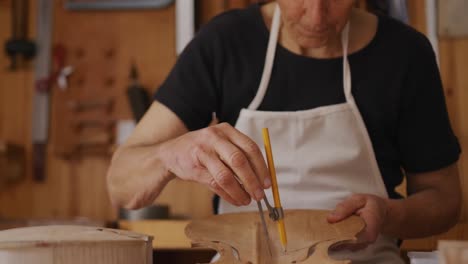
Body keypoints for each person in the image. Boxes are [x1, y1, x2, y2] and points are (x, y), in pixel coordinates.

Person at [107, 0, 461, 262]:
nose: (316, 15)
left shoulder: (405, 54)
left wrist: (389, 214)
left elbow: (445, 199)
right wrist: (170, 155)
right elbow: (121, 186)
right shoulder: (225, 42)